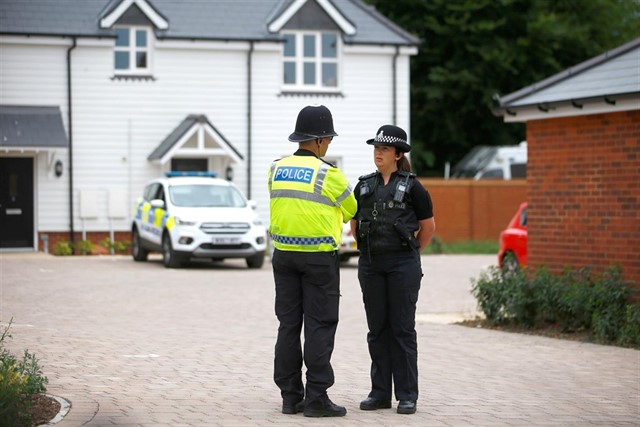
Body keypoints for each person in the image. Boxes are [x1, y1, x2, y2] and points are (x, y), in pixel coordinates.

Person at [268, 105, 357, 418]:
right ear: (319, 141)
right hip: (319, 260)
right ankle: (317, 398)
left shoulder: (275, 169)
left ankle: (290, 398)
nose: (329, 144)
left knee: (288, 326)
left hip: (283, 257)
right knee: (319, 326)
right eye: (328, 140)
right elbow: (352, 209)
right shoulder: (329, 175)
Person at [350, 124, 436, 415]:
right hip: (372, 264)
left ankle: (407, 394)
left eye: (384, 149)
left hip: (402, 264)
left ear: (398, 154)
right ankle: (379, 393)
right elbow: (354, 226)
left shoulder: (413, 187)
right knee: (377, 330)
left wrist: (408, 255)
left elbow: (428, 228)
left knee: (401, 329)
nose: (378, 153)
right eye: (376, 148)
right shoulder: (363, 186)